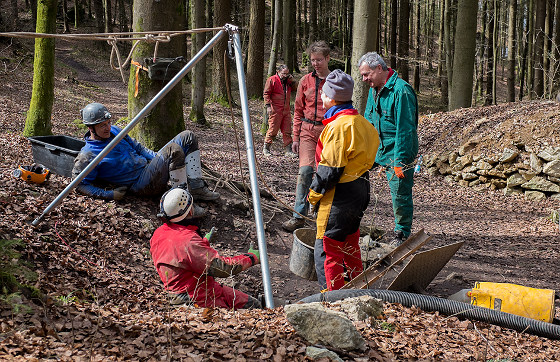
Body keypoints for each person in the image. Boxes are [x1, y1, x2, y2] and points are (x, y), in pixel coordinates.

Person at [72, 103, 219, 211]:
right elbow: (79, 184)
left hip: (148, 167)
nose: (108, 128)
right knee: (174, 150)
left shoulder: (114, 131)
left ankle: (196, 187)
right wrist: (110, 194)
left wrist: (158, 158)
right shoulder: (88, 154)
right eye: (102, 125)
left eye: (108, 123)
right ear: (91, 128)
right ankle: (184, 205)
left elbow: (137, 146)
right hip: (141, 184)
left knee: (188, 136)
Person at [307, 69, 379, 291]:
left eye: (324, 93)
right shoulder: (364, 124)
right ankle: (360, 290)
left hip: (339, 194)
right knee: (349, 244)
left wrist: (313, 195)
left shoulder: (339, 127)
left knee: (328, 248)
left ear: (332, 97)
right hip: (361, 190)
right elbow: (373, 159)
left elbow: (330, 170)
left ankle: (333, 298)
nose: (321, 97)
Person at [150, 185, 262, 309]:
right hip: (197, 298)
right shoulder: (188, 241)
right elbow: (223, 268)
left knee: (251, 302)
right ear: (190, 211)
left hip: (196, 289)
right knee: (253, 307)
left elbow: (180, 256)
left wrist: (202, 243)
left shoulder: (158, 234)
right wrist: (251, 257)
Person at [358, 52, 419, 246]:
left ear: (379, 69)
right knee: (355, 176)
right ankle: (351, 221)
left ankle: (401, 233)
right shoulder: (373, 89)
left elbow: (406, 131)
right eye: (362, 75)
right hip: (377, 149)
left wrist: (400, 161)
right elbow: (369, 121)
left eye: (367, 74)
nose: (364, 79)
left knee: (399, 192)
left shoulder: (401, 91)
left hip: (397, 152)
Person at [282, 40, 332, 232]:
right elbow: (297, 110)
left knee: (324, 175)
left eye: (319, 59)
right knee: (304, 172)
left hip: (328, 132)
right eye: (312, 60)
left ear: (327, 58)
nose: (316, 63)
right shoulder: (305, 81)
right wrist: (295, 138)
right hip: (308, 131)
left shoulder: (336, 79)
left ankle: (322, 217)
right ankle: (299, 216)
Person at [263, 64, 298, 157]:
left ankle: (288, 150)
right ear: (278, 72)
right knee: (273, 129)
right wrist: (268, 106)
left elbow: (296, 88)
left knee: (287, 130)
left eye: (287, 73)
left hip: (286, 109)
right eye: (283, 73)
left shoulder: (288, 82)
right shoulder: (272, 80)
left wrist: (293, 80)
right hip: (275, 109)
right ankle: (266, 148)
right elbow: (266, 94)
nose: (285, 75)